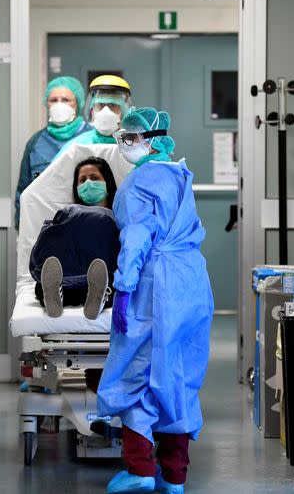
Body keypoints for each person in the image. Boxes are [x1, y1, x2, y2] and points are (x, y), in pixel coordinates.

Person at [97, 108, 214, 494]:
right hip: (191, 282)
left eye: (131, 138)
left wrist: (125, 285)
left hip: (154, 283)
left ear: (150, 139)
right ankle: (175, 476)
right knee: (179, 376)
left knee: (137, 373)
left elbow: (136, 238)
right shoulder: (180, 175)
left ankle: (140, 470)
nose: (125, 145)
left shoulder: (138, 183)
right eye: (122, 138)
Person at [28, 157, 120, 320]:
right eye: (82, 180)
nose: (88, 183)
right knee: (42, 284)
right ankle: (97, 296)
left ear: (107, 182)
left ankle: (63, 296)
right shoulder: (66, 216)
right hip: (70, 275)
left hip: (101, 276)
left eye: (94, 178)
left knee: (113, 284)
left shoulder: (120, 217)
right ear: (76, 188)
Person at [15, 76, 91, 229]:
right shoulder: (36, 142)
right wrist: (21, 225)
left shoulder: (91, 138)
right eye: (53, 100)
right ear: (46, 104)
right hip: (43, 224)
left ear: (77, 103)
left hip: (84, 224)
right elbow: (23, 190)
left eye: (66, 99)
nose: (59, 104)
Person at [53, 75, 133, 159]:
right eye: (100, 105)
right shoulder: (77, 147)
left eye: (112, 105)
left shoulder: (134, 147)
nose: (105, 112)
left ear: (124, 112)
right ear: (92, 112)